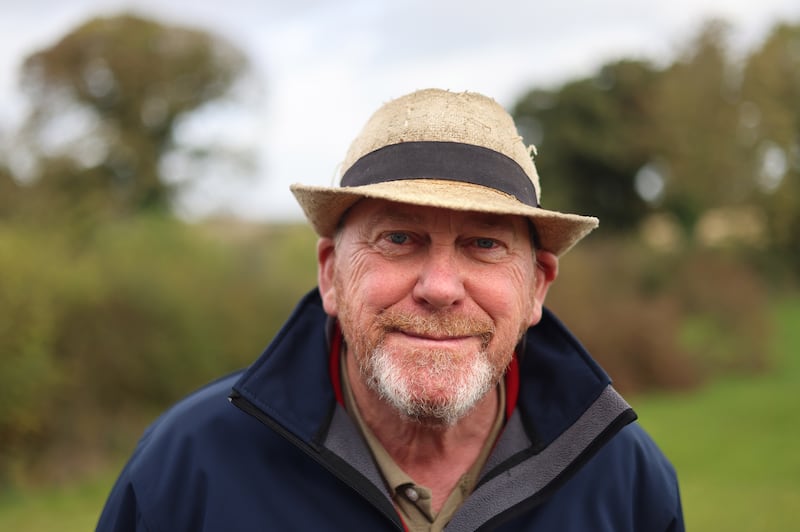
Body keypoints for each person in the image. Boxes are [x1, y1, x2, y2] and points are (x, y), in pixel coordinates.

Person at [97, 88, 684, 531]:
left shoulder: (623, 480)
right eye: (400, 239)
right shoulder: (188, 468)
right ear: (330, 273)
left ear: (537, 287)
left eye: (484, 244)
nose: (439, 286)